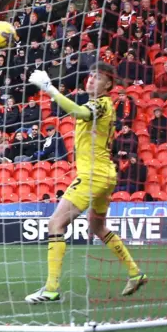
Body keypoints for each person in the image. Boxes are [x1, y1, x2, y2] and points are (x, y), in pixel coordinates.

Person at [25, 63, 147, 303]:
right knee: (98, 228)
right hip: (105, 174)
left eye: (99, 77)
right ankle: (135, 272)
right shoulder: (99, 104)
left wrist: (50, 89)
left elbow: (81, 113)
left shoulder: (101, 103)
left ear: (109, 84)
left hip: (94, 176)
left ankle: (51, 289)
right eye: (91, 75)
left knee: (55, 224)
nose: (91, 80)